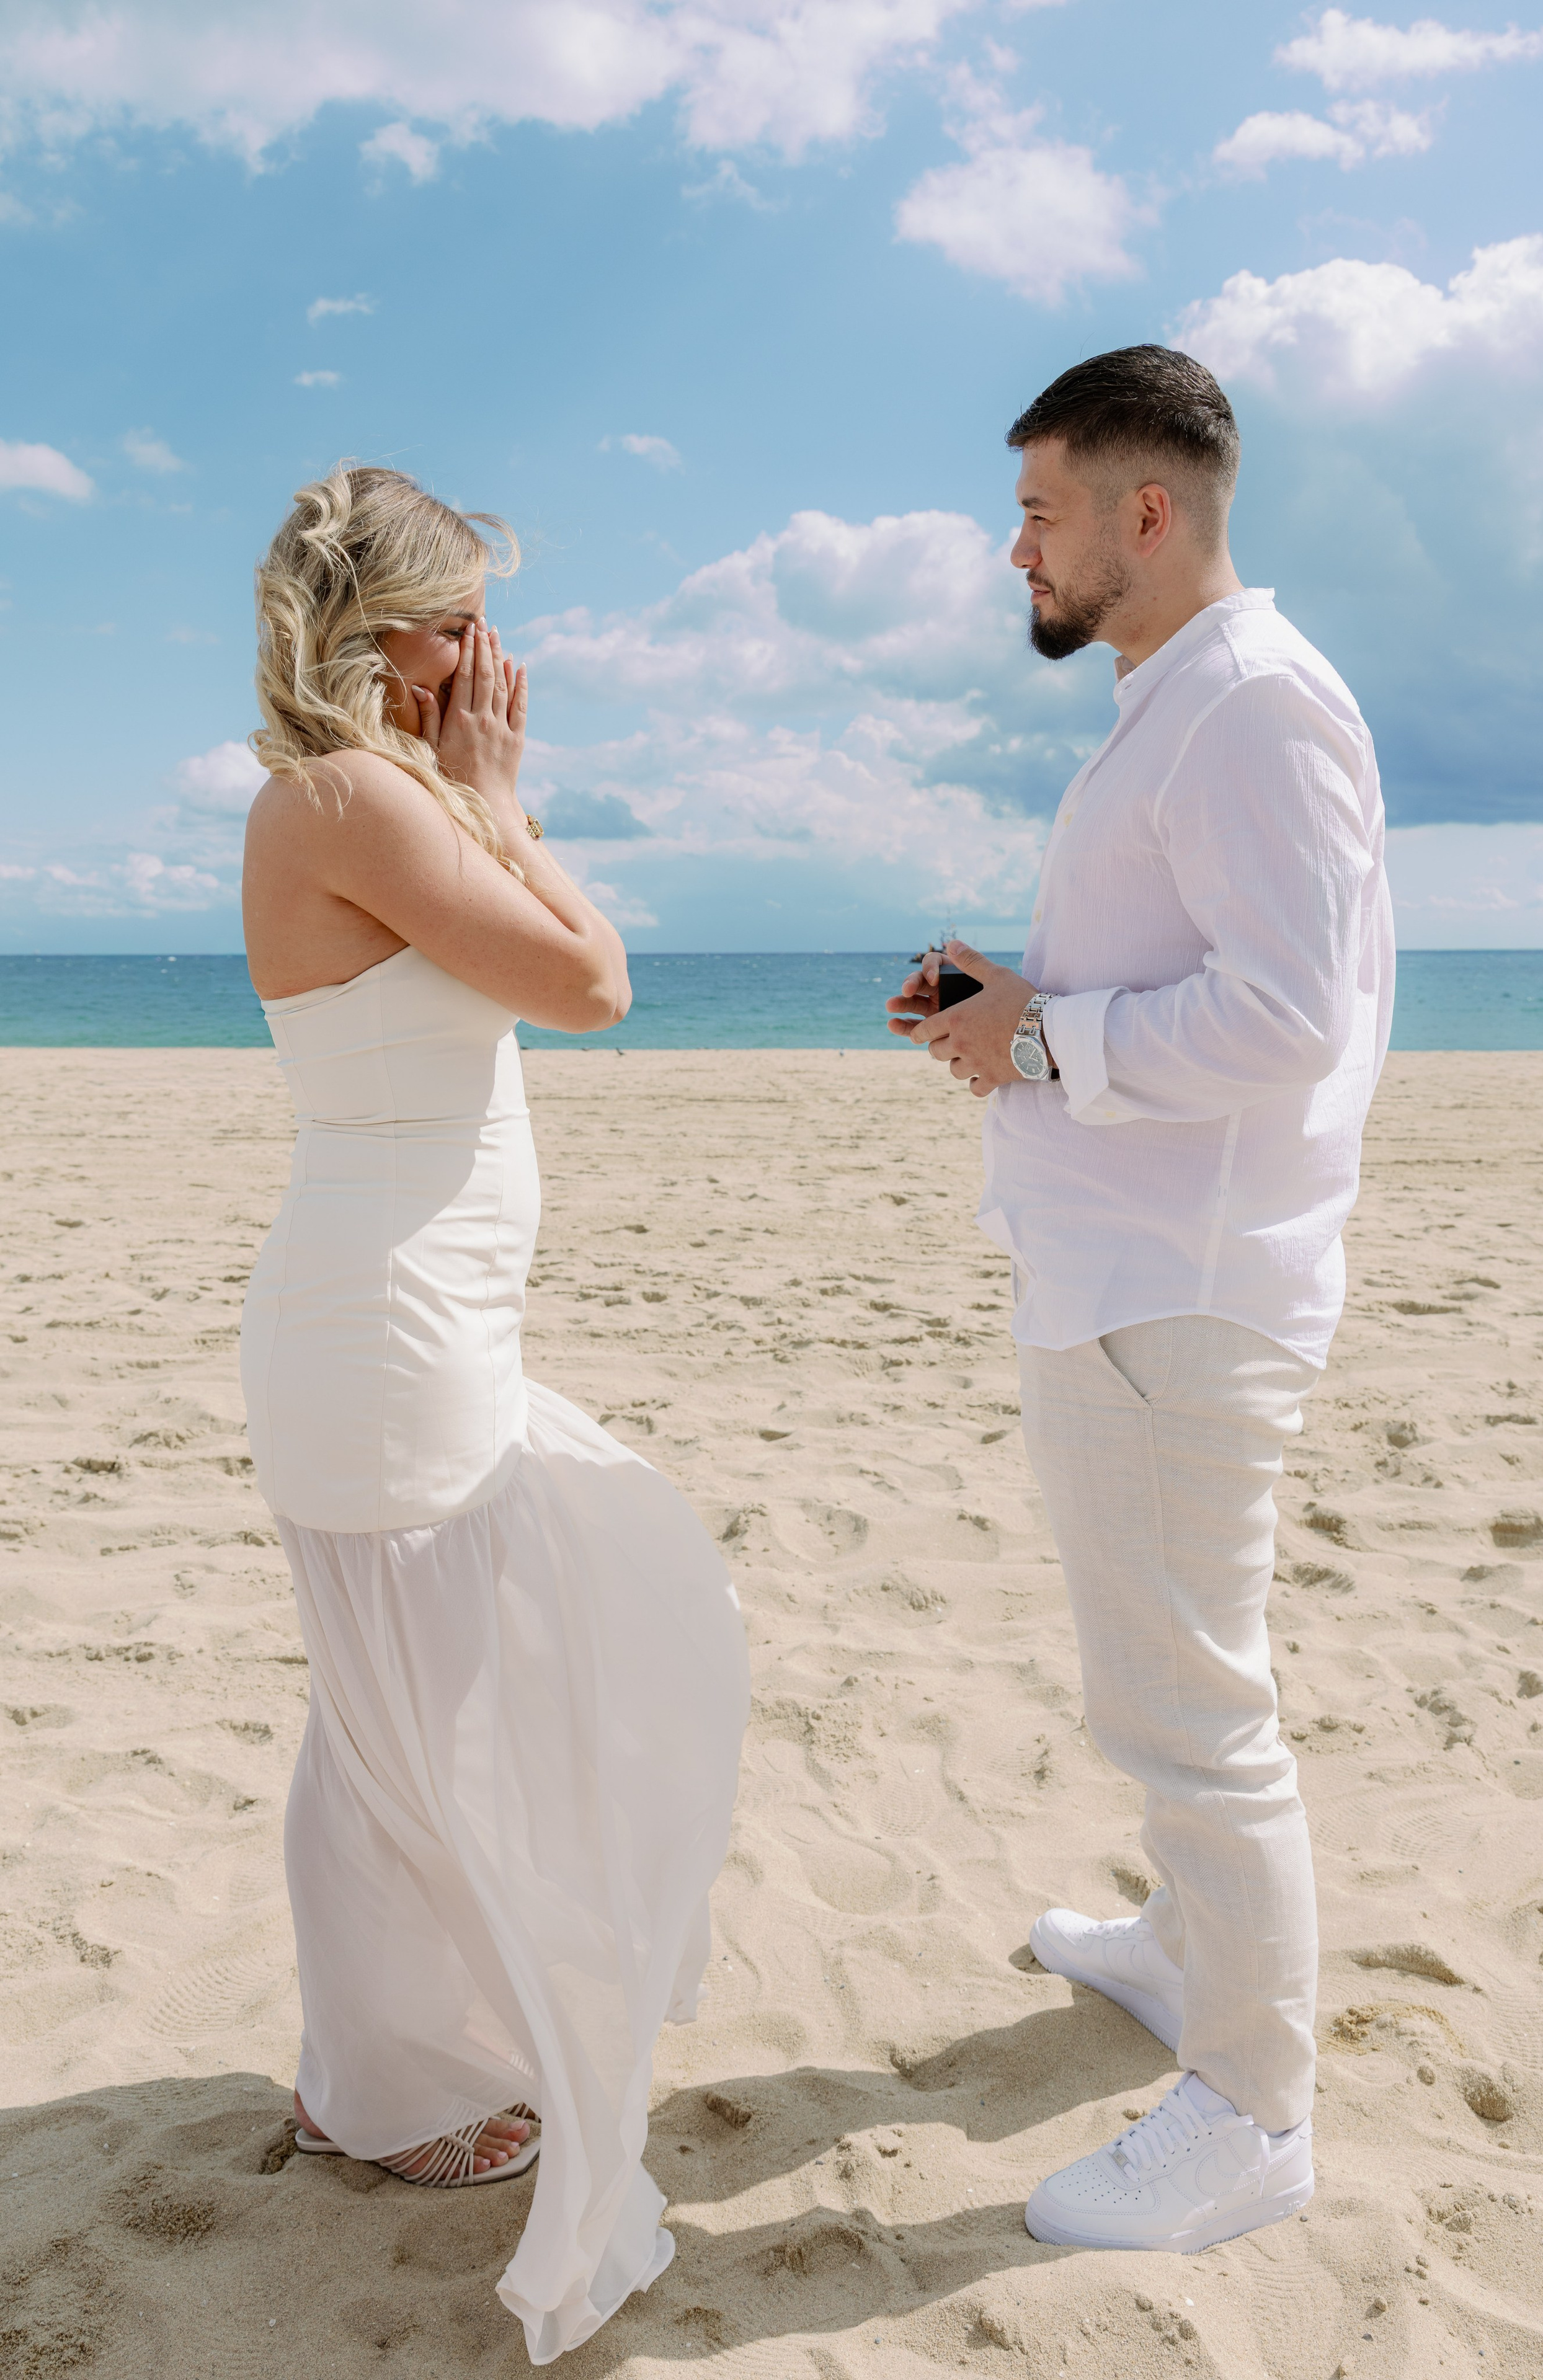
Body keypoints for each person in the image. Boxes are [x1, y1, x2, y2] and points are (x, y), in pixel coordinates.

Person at [239, 464, 749, 2361]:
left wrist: (479, 796)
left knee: (390, 1719)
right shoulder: (355, 795)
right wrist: (517, 805)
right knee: (422, 1725)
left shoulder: (357, 795)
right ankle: (395, 2088)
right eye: (461, 618)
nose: (493, 655)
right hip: (388, 1334)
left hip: (398, 1320)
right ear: (382, 635)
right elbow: (595, 985)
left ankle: (366, 2073)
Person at [888, 346, 1392, 2255]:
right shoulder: (1181, 698)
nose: (1014, 545)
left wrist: (1038, 1045)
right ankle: (1188, 1951)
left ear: (1146, 511)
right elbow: (1187, 970)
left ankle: (1255, 2116)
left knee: (1196, 1717)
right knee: (1155, 1688)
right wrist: (1010, 999)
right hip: (1126, 1271)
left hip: (1184, 1291)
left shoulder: (1254, 702)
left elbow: (1288, 1018)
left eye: (1037, 509)